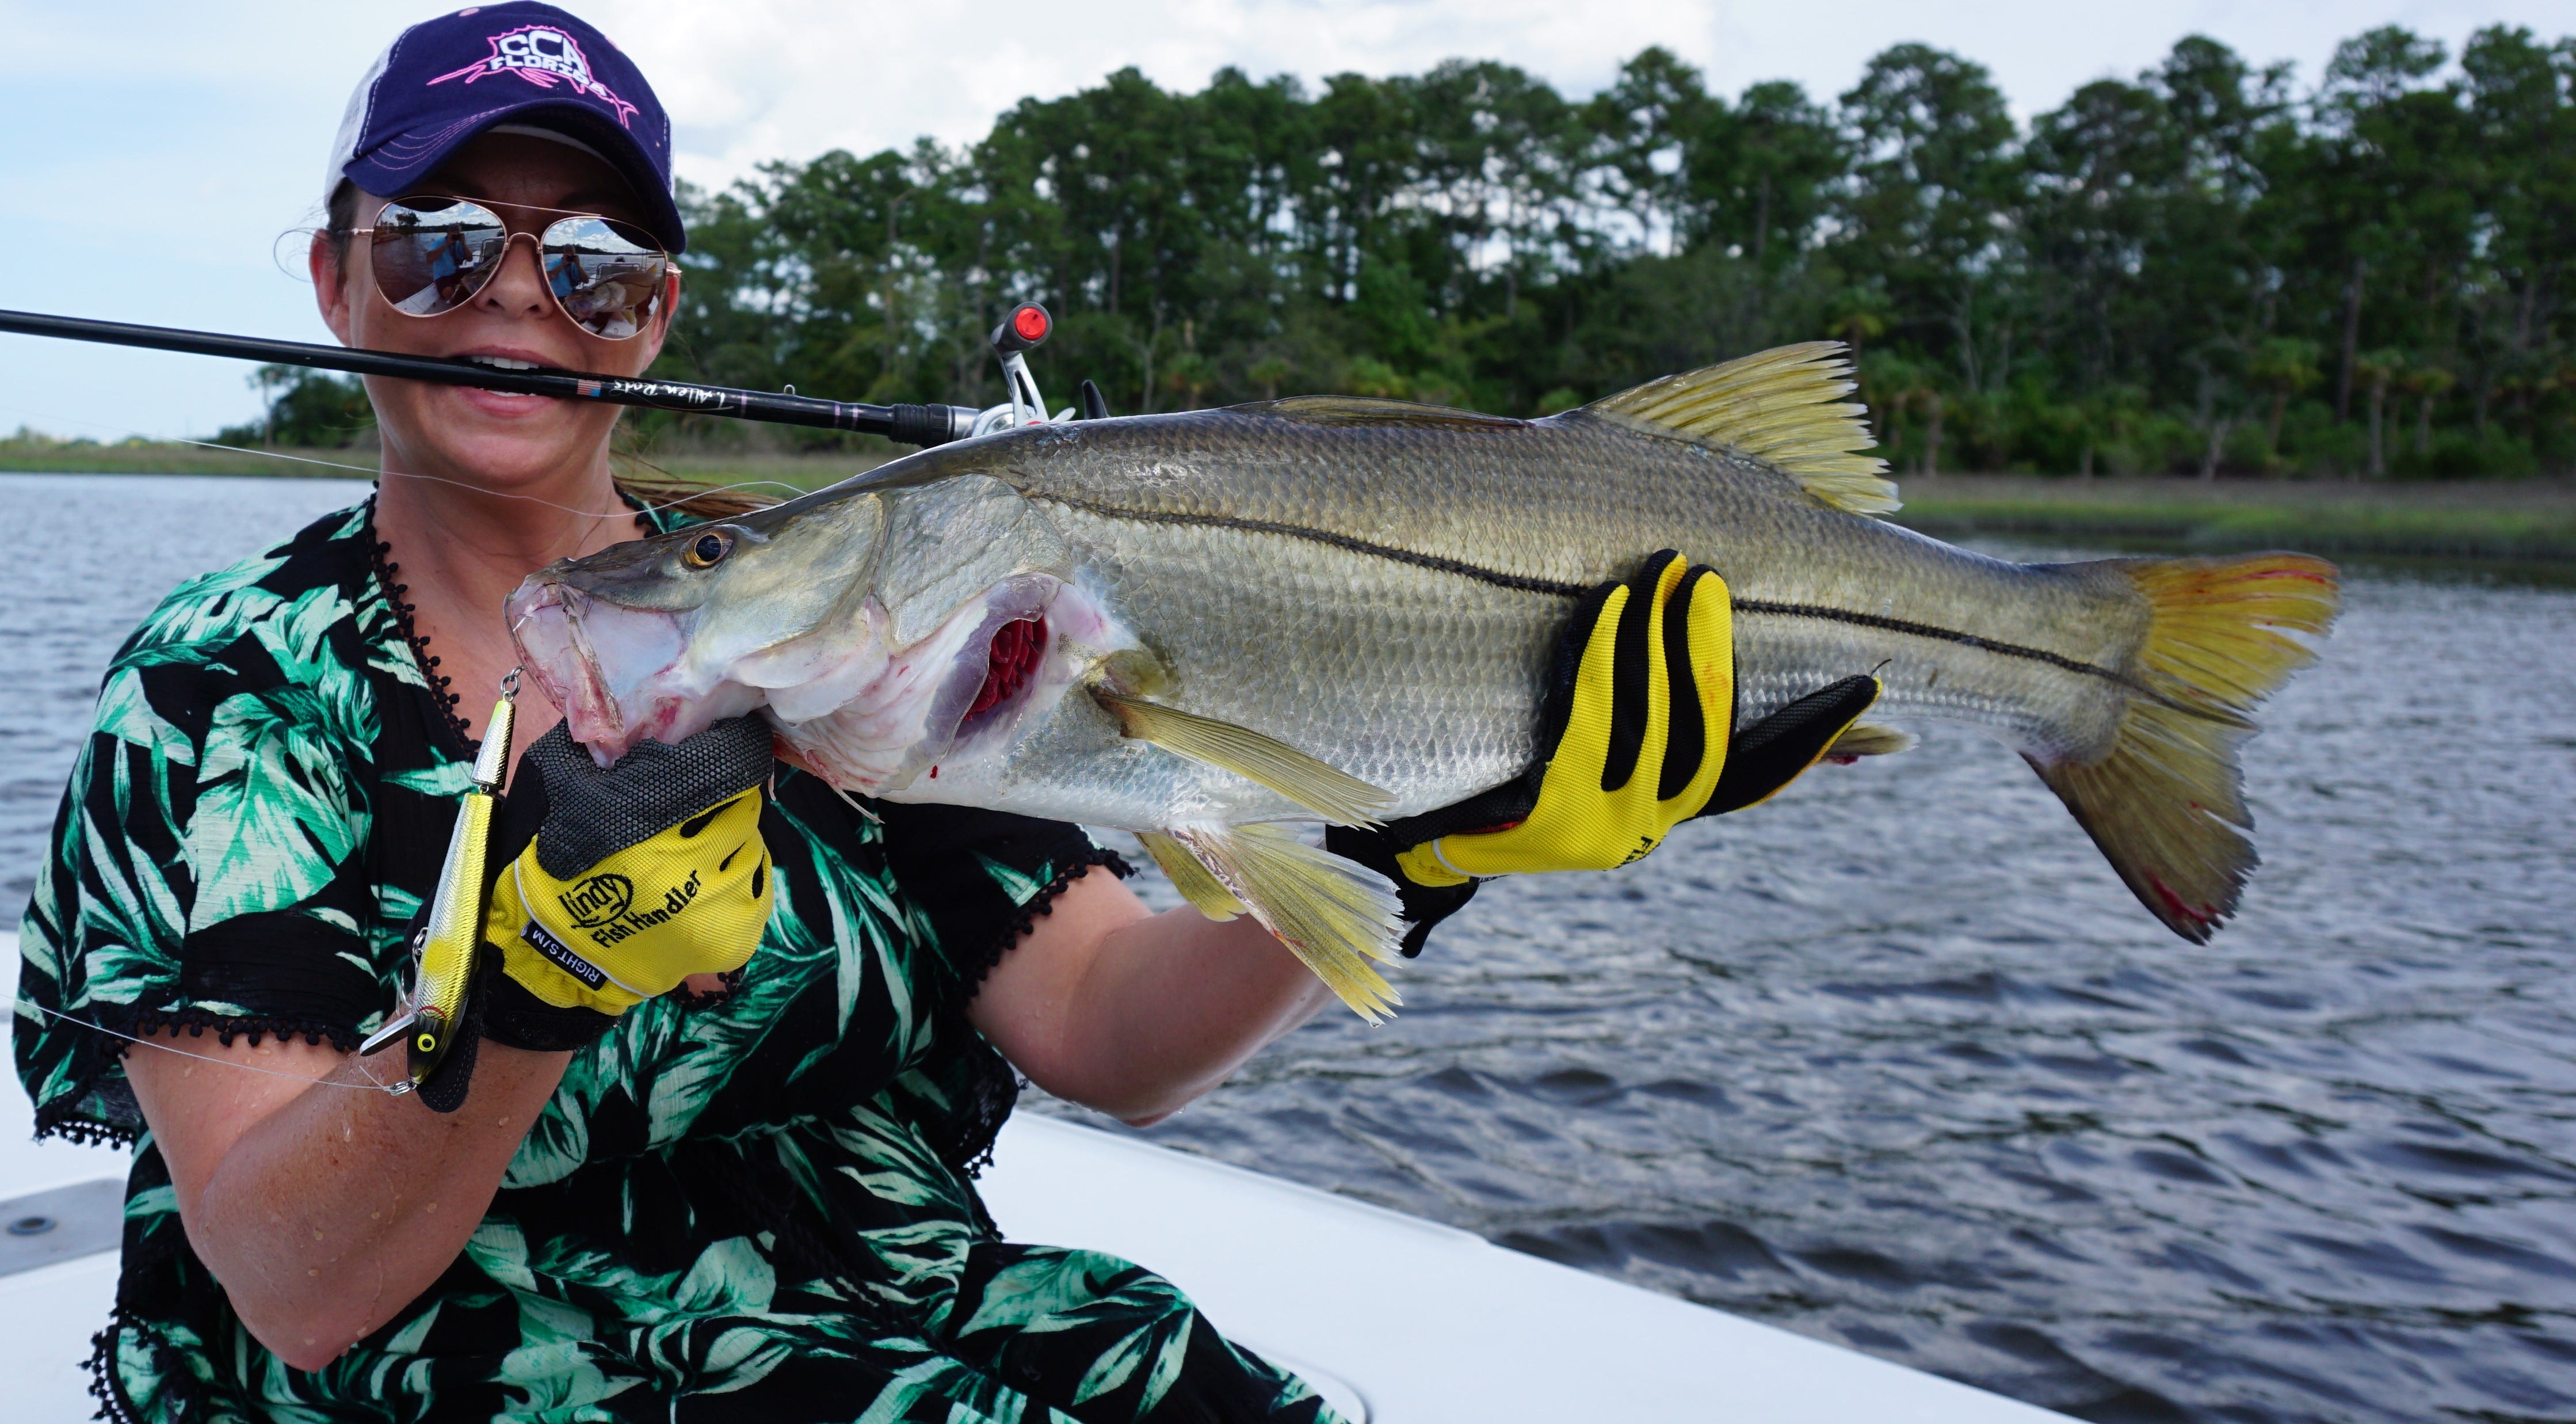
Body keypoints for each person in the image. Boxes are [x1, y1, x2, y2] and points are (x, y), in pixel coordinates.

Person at [11, 7, 1876, 1421]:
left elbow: (1108, 1034)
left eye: (587, 267)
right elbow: (293, 1283)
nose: (516, 301)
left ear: (652, 317)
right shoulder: (226, 685)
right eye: (436, 244)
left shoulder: (855, 621)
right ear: (337, 277)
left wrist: (1422, 840)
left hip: (885, 1327)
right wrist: (525, 1000)